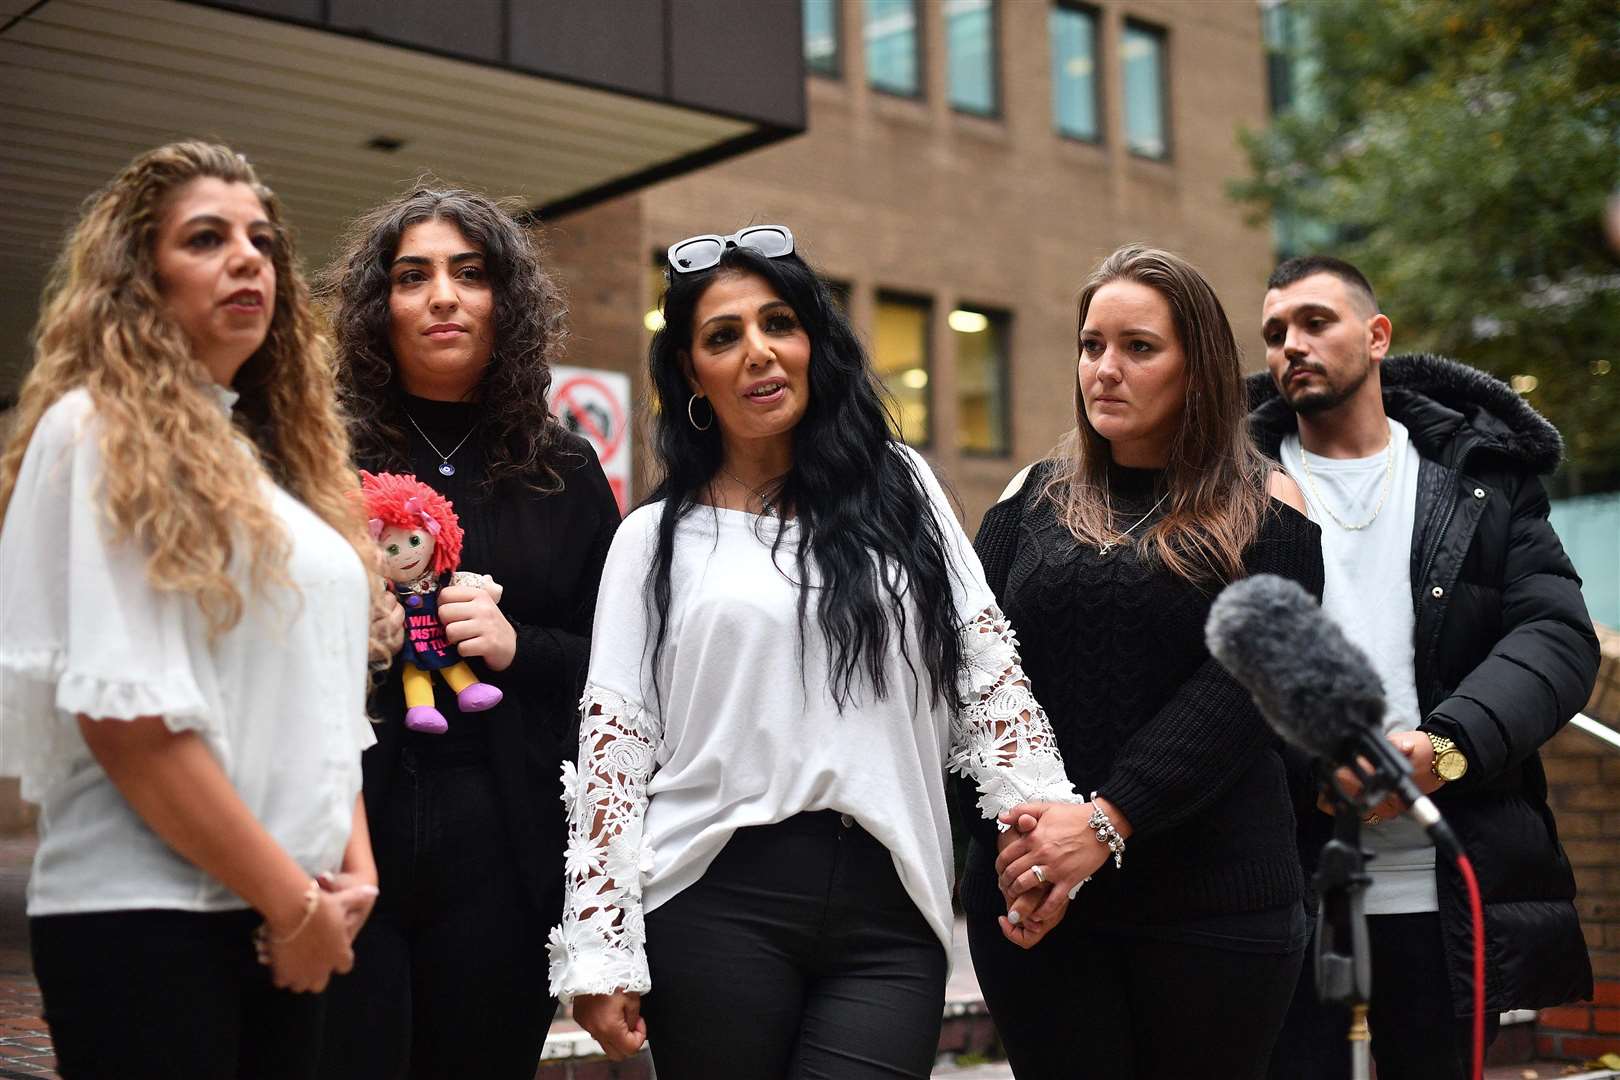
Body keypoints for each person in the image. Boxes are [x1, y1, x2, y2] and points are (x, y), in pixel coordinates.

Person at [547, 225, 1084, 1080]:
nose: (758, 353)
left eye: (779, 324)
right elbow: (614, 750)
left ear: (812, 343)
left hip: (891, 905)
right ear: (692, 373)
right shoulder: (651, 540)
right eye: (724, 337)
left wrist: (1046, 826)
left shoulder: (904, 491)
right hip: (714, 901)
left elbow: (986, 678)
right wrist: (600, 947)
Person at [0, 141, 391, 1079]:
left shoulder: (275, 468)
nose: (249, 257)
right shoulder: (96, 431)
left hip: (287, 917)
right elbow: (128, 720)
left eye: (261, 240)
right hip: (150, 919)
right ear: (140, 279)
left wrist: (354, 873)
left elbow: (320, 709)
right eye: (206, 239)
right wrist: (294, 905)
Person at [960, 244, 1325, 1080]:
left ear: (1198, 367)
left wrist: (1108, 820)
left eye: (1139, 348)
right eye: (1092, 346)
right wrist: (1025, 849)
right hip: (1038, 898)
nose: (1105, 370)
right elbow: (972, 675)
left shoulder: (1269, 503)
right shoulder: (1030, 497)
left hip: (1214, 905)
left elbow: (1251, 686)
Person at [1254, 255, 1598, 1080]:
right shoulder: (1232, 483)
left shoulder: (1477, 474)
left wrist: (1442, 752)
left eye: (1313, 322)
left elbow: (1555, 635)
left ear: (1377, 337)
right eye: (1273, 333)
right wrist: (1315, 771)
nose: (1290, 345)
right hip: (1286, 879)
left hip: (1443, 876)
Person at [314, 186, 621, 1080]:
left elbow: (621, 670)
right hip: (342, 822)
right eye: (414, 276)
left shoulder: (562, 466)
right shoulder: (319, 450)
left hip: (505, 837)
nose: (443, 295)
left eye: (470, 273)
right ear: (380, 306)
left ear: (506, 303)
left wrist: (517, 645)